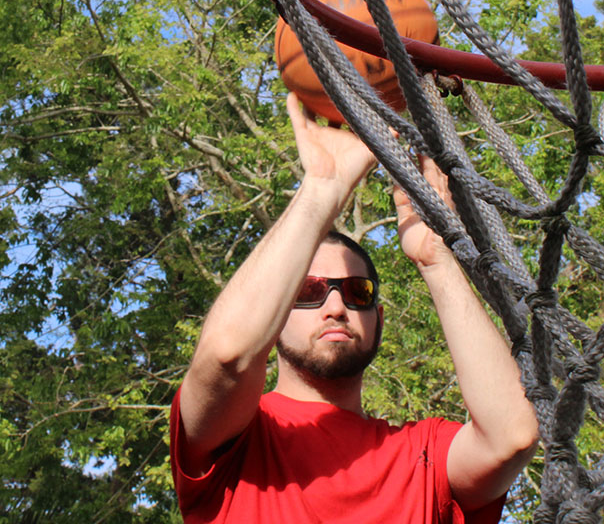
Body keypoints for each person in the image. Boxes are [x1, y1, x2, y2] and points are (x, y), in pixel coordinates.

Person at [169, 92, 539, 523]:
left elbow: (512, 436)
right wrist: (323, 189)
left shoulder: (422, 456)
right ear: (276, 314)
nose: (335, 306)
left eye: (357, 293)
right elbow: (225, 356)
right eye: (309, 290)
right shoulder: (238, 438)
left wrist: (436, 258)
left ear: (378, 319)